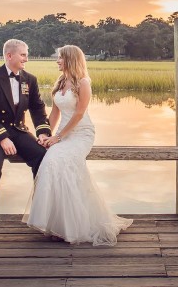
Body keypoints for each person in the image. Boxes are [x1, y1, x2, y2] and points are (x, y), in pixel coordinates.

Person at [24, 45, 133, 245]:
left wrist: (58, 137)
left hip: (81, 134)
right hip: (61, 134)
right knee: (50, 162)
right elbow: (55, 113)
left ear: (71, 60)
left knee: (61, 161)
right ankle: (56, 223)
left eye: (60, 58)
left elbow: (79, 113)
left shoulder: (83, 82)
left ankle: (74, 225)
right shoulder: (59, 82)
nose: (57, 61)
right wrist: (46, 134)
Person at [0, 39, 52, 247]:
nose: (27, 58)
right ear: (10, 56)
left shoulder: (29, 79)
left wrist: (43, 133)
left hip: (18, 131)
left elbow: (37, 108)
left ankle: (42, 217)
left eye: (26, 54)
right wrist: (1, 137)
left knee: (44, 158)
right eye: (23, 55)